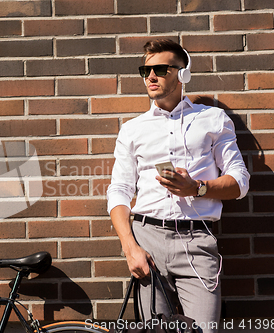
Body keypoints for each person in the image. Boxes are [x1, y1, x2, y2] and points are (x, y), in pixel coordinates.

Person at [107, 39, 250, 333]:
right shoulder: (132, 129)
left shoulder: (212, 119)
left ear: (182, 74)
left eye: (160, 69)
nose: (151, 77)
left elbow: (240, 182)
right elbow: (119, 190)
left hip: (196, 238)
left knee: (204, 330)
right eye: (145, 70)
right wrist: (129, 247)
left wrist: (196, 188)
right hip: (147, 239)